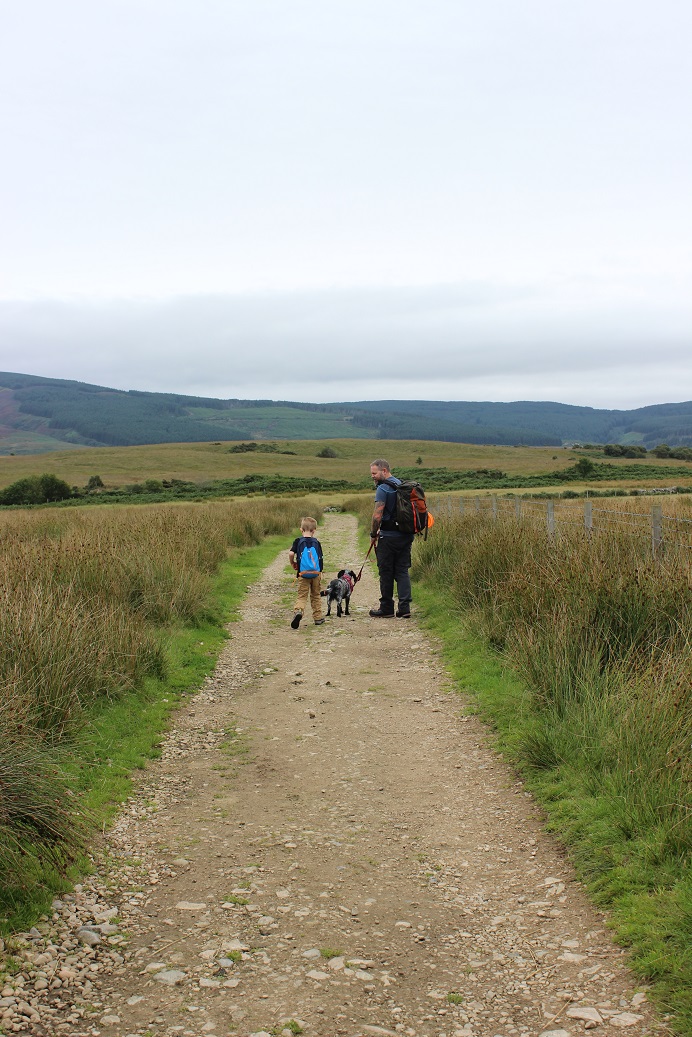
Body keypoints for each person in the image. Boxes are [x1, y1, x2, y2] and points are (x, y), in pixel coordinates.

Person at [368, 459, 414, 618]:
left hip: (388, 537)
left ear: (384, 471)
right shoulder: (401, 485)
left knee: (386, 572)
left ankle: (386, 608)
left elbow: (377, 515)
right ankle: (404, 608)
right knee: (402, 571)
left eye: (374, 473)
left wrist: (373, 534)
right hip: (406, 535)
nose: (372, 476)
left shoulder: (383, 488)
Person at [288, 517, 325, 628]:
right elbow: (320, 558)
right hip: (316, 574)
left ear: (301, 530)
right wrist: (320, 572)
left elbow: (291, 553)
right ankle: (318, 618)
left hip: (303, 574)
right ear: (314, 530)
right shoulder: (317, 542)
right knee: (316, 595)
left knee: (302, 596)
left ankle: (299, 611)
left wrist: (292, 563)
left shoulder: (298, 541)